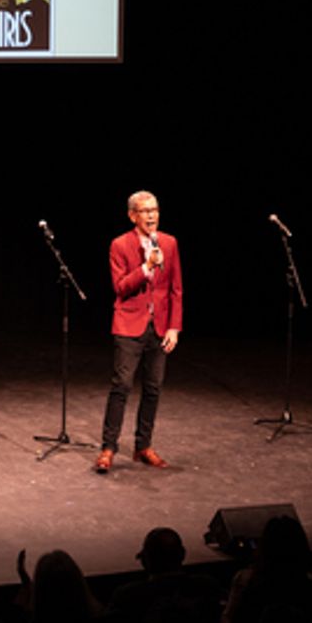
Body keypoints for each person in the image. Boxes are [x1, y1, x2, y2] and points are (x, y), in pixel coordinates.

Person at [97, 190, 182, 473]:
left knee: (154, 388)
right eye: (145, 211)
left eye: (155, 210)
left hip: (159, 328)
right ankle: (108, 448)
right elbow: (120, 287)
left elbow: (175, 289)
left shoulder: (169, 243)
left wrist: (174, 327)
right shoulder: (119, 245)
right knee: (121, 386)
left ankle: (143, 446)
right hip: (129, 324)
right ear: (133, 215)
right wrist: (146, 267)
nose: (152, 216)